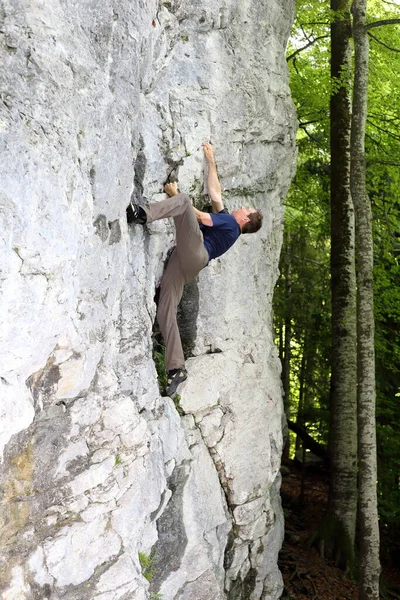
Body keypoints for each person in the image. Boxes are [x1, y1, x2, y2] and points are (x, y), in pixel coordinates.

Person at [127, 143, 263, 396]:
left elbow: (199, 216)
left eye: (247, 208)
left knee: (183, 200)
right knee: (166, 309)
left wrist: (174, 194)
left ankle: (141, 214)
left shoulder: (232, 224)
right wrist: (211, 161)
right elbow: (215, 193)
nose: (242, 207)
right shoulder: (230, 226)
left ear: (245, 219)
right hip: (188, 262)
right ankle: (176, 368)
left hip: (195, 252)